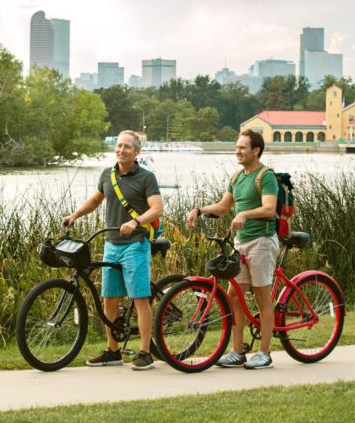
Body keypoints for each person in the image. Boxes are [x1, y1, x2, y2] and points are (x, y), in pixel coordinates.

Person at [63, 130, 163, 370]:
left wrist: (136, 221)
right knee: (109, 299)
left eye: (127, 147)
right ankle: (113, 351)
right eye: (119, 146)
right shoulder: (107, 175)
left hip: (135, 245)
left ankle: (145, 352)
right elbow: (96, 200)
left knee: (140, 299)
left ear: (137, 152)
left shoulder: (146, 178)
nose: (121, 150)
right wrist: (75, 215)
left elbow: (157, 209)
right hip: (111, 244)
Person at [185, 129, 278, 370]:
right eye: (236, 147)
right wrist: (200, 210)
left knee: (261, 298)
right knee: (234, 296)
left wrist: (245, 213)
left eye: (242, 148)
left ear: (255, 150)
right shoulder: (237, 177)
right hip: (241, 244)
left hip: (262, 242)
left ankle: (265, 353)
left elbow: (269, 209)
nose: (237, 151)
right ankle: (237, 352)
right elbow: (224, 207)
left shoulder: (265, 176)